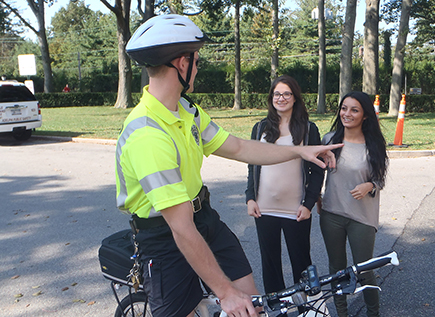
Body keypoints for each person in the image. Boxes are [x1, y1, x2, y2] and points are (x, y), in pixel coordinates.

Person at [116, 14, 342, 317]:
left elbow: (239, 147)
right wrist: (225, 293)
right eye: (197, 62)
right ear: (182, 63)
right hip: (164, 235)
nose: (197, 68)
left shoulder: (186, 110)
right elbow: (180, 228)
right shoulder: (148, 135)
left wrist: (301, 151)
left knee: (251, 304)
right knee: (218, 302)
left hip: (204, 219)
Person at [245, 75, 323, 293]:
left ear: (295, 98)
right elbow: (252, 166)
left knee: (301, 265)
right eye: (277, 94)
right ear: (271, 98)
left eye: (287, 94)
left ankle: (305, 310)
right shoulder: (260, 128)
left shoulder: (309, 129)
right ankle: (276, 310)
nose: (281, 98)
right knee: (270, 266)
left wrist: (308, 204)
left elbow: (317, 171)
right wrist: (250, 198)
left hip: (296, 209)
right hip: (264, 208)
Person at [318, 91, 388, 317]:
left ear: (365, 115)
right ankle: (342, 313)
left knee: (365, 269)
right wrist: (316, 199)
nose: (347, 114)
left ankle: (373, 313)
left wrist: (369, 186)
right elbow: (314, 174)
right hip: (331, 214)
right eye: (344, 108)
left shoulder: (374, 145)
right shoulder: (329, 140)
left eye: (354, 110)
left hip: (362, 217)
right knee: (336, 271)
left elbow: (380, 180)